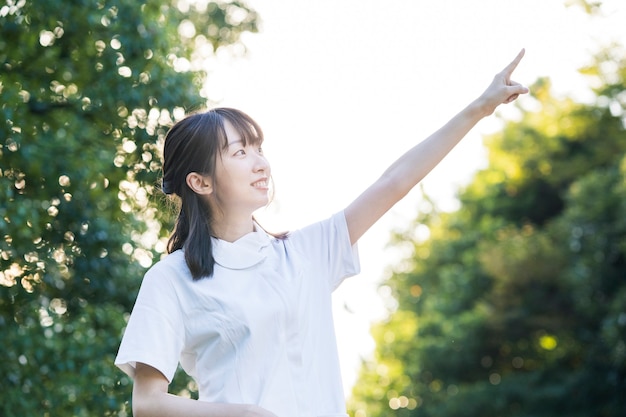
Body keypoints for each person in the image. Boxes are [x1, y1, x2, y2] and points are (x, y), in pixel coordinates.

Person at [115, 49, 529, 417]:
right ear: (200, 182)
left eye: (258, 148)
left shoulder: (304, 253)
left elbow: (395, 182)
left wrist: (479, 108)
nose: (260, 163)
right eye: (239, 152)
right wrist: (242, 413)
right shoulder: (171, 279)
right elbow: (149, 403)